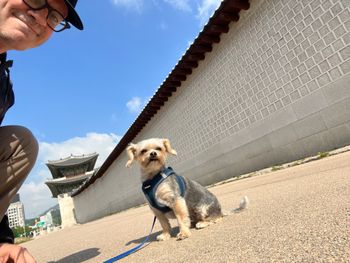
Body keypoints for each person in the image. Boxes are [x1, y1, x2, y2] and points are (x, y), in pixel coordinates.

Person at [0, 0, 83, 261]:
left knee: (21, 142)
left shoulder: (3, 85)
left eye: (55, 17)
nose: (39, 17)